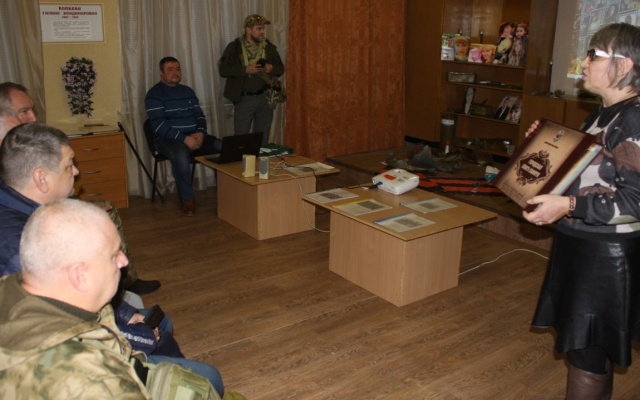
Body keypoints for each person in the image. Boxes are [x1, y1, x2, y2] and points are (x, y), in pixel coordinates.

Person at [0, 123, 226, 397]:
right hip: (99, 353)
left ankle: (175, 366)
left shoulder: (27, 218)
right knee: (208, 378)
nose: (76, 171)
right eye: (69, 164)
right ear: (41, 178)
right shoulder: (18, 248)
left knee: (160, 323)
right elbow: (86, 326)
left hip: (87, 336)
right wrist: (139, 336)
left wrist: (126, 315)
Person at [524, 23, 640, 399]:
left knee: (588, 351)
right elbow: (579, 175)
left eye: (593, 55)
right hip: (580, 245)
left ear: (624, 65)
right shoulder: (599, 115)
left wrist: (568, 205)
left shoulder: (635, 118)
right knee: (585, 348)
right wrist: (542, 147)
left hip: (606, 258)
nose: (584, 63)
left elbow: (635, 203)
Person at [0, 81, 160, 294]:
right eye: (23, 111)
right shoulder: (14, 153)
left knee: (106, 208)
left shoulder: (26, 144)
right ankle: (112, 283)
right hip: (30, 223)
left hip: (40, 209)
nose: (33, 118)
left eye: (32, 110)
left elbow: (49, 191)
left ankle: (125, 281)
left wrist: (73, 203)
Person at [0, 198, 150, 398]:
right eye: (114, 255)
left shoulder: (10, 287)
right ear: (80, 275)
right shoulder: (96, 384)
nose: (124, 261)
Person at [145, 57, 220, 216]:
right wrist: (184, 139)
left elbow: (199, 116)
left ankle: (227, 191)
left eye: (178, 69)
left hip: (194, 135)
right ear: (161, 73)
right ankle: (188, 199)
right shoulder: (154, 95)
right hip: (167, 139)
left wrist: (201, 133)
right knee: (181, 155)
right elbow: (159, 126)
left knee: (222, 146)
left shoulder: (188, 92)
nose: (175, 72)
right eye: (170, 69)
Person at [219, 14, 285, 146]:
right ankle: (240, 160)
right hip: (244, 99)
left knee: (263, 137)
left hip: (265, 98)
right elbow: (223, 70)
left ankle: (261, 159)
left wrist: (271, 68)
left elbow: (281, 68)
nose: (262, 32)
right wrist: (245, 69)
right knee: (241, 138)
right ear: (248, 29)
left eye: (263, 29)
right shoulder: (234, 47)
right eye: (259, 29)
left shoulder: (268, 47)